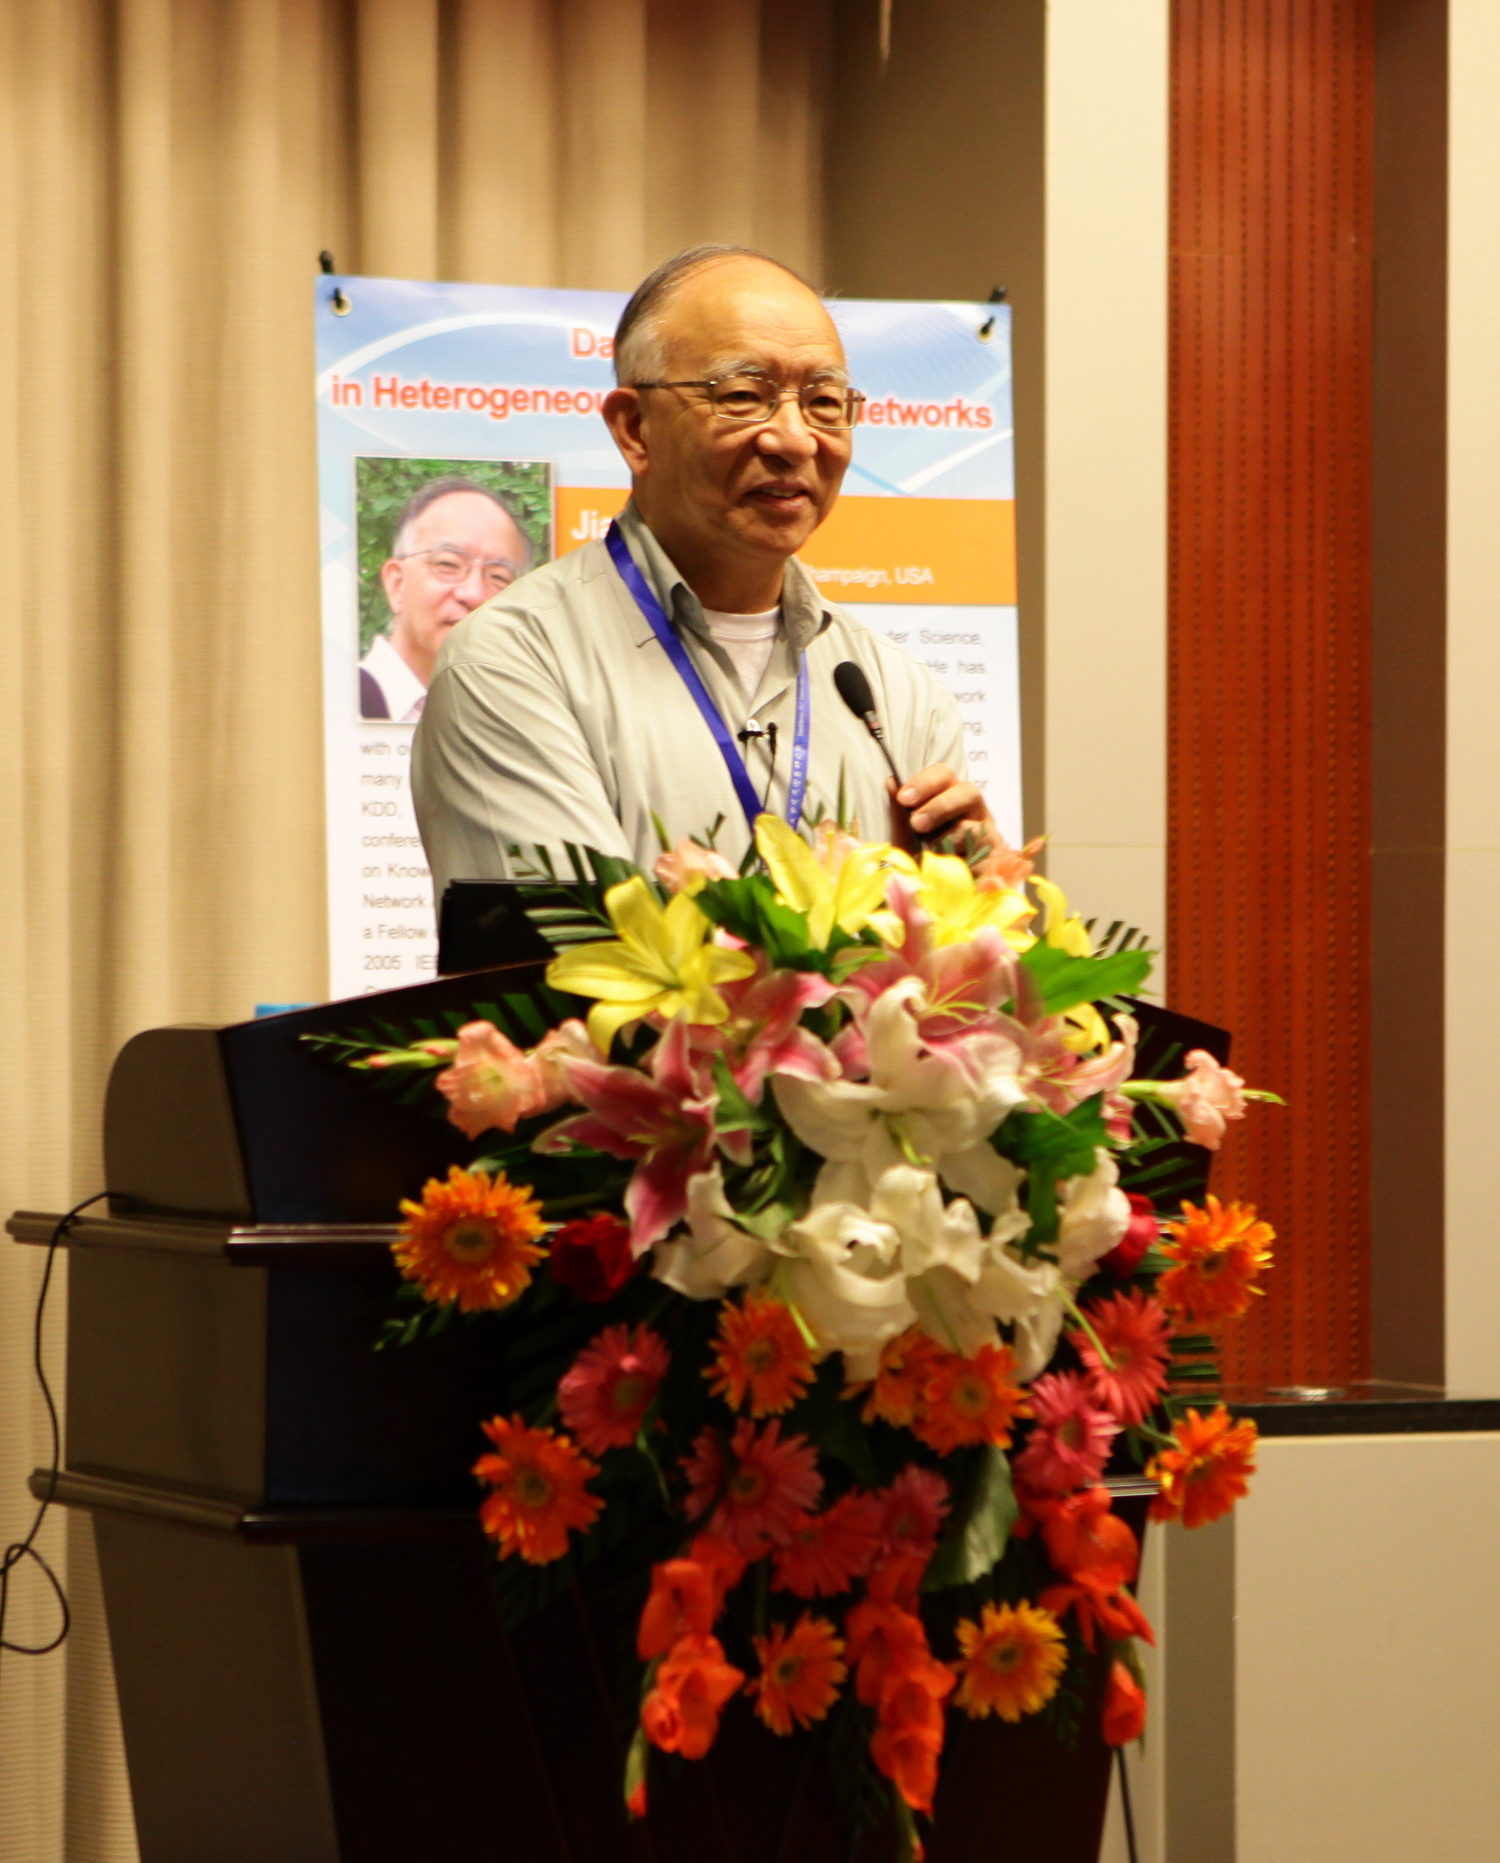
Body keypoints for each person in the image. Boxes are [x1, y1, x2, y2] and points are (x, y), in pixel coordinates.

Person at [412, 246, 998, 891]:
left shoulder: (899, 694)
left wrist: (973, 899)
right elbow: (574, 947)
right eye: (743, 395)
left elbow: (951, 948)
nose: (794, 438)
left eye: (825, 402)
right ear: (635, 429)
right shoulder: (515, 663)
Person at [359, 476, 533, 720]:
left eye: (498, 577)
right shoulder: (334, 705)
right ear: (397, 584)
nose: (475, 594)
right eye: (448, 564)